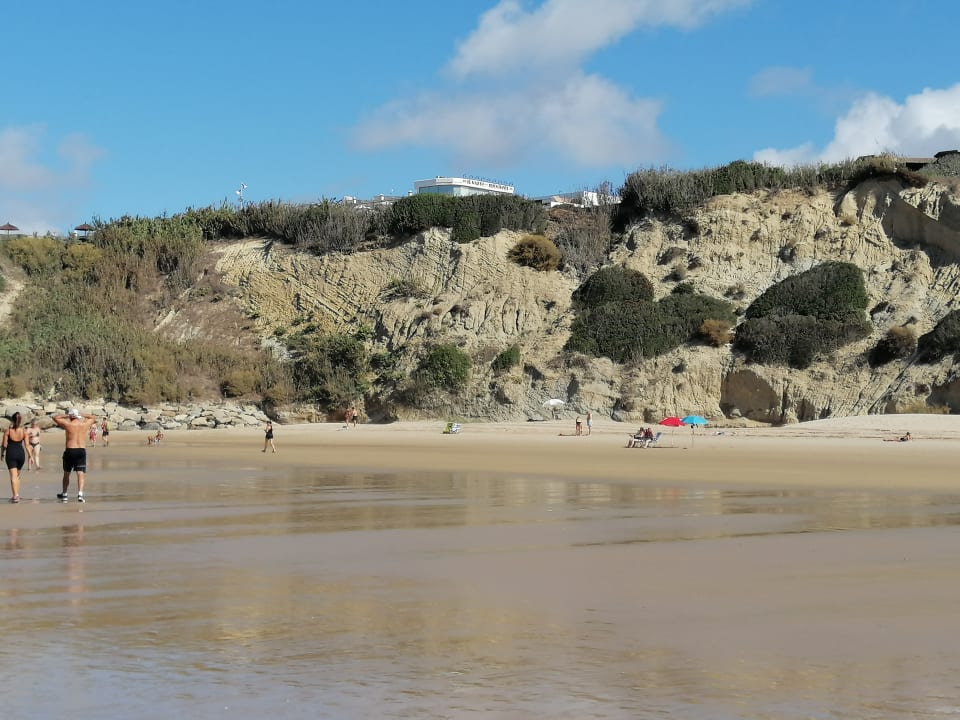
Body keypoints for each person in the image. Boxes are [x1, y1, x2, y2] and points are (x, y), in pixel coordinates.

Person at [52, 408, 97, 502]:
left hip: (70, 450)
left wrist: (67, 416)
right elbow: (93, 417)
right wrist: (82, 414)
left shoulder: (68, 424)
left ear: (71, 417)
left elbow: (55, 417)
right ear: (78, 417)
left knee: (66, 473)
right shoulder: (84, 425)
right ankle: (80, 494)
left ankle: (64, 494)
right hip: (81, 450)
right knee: (80, 473)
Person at [2, 412, 28, 503]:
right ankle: (17, 494)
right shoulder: (24, 431)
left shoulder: (8, 431)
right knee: (17, 476)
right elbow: (27, 445)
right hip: (21, 454)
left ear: (12, 420)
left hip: (11, 454)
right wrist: (31, 457)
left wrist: (1, 454)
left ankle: (15, 496)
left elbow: (4, 445)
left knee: (13, 476)